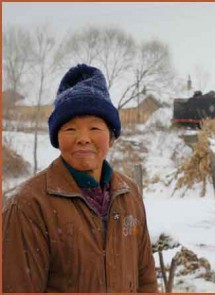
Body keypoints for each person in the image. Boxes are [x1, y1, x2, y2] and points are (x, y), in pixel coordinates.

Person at [2, 64, 158, 293]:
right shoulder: (29, 205)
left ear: (111, 137)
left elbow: (145, 278)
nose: (83, 138)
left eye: (95, 128)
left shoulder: (129, 194)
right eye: (70, 130)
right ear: (57, 137)